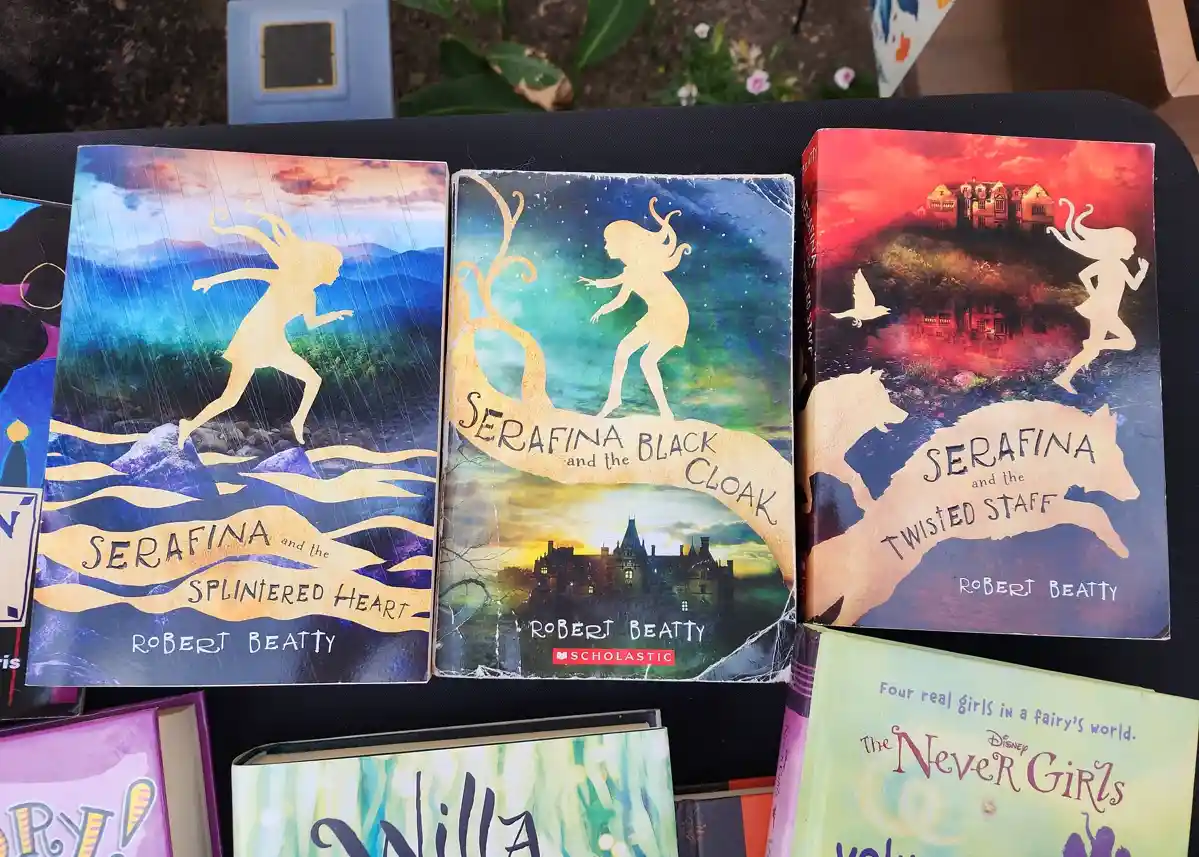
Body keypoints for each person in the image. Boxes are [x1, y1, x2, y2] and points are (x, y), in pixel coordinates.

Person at [178, 210, 351, 448]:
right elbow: (246, 273)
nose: (338, 273)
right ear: (322, 267)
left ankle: (297, 420)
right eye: (335, 267)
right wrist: (211, 280)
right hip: (253, 337)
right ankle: (189, 425)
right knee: (230, 398)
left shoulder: (309, 296)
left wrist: (334, 315)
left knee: (313, 380)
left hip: (273, 342)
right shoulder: (285, 278)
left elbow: (311, 323)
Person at [580, 197, 691, 420]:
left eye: (608, 241)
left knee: (645, 360)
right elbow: (619, 289)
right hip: (660, 314)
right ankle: (618, 400)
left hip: (672, 315)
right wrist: (599, 294)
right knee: (629, 352)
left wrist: (601, 297)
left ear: (623, 244)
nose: (605, 246)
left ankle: (663, 412)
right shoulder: (633, 269)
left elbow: (620, 288)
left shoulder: (639, 267)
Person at [1048, 199, 1148, 394]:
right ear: (1118, 248)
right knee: (1128, 342)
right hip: (1103, 311)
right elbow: (1084, 275)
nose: (1132, 251)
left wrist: (1142, 272)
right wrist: (1094, 293)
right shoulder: (1107, 262)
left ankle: (1064, 377)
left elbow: (1134, 285)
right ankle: (1080, 361)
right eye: (1130, 248)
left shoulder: (1120, 266)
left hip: (1108, 312)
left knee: (1094, 349)